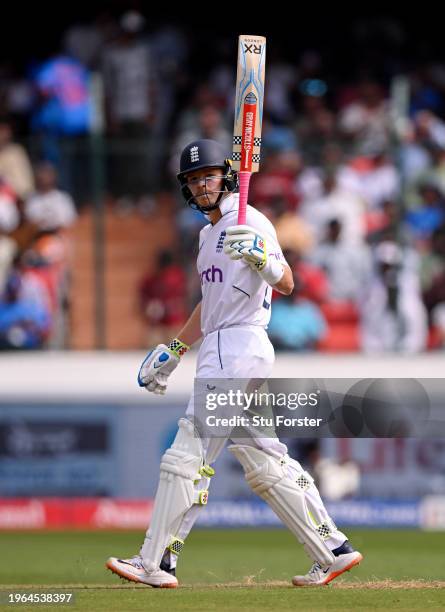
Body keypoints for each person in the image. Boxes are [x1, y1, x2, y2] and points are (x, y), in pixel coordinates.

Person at [106, 139, 363, 588]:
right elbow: (211, 305)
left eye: (207, 175)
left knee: (187, 453)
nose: (201, 185)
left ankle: (155, 562)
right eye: (192, 179)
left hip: (238, 346)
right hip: (228, 347)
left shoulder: (251, 220)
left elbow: (286, 281)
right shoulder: (207, 236)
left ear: (226, 175)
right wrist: (175, 349)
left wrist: (261, 258)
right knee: (263, 458)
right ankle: (332, 548)